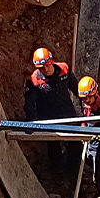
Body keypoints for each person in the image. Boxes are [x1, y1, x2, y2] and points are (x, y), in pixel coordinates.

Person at [24, 48, 79, 177]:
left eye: (47, 65)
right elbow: (29, 103)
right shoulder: (34, 80)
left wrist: (89, 108)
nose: (45, 70)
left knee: (76, 143)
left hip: (68, 115)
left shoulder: (64, 69)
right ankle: (58, 173)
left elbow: (77, 90)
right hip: (49, 119)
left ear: (52, 61)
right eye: (41, 68)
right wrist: (30, 120)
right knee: (53, 146)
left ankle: (73, 172)